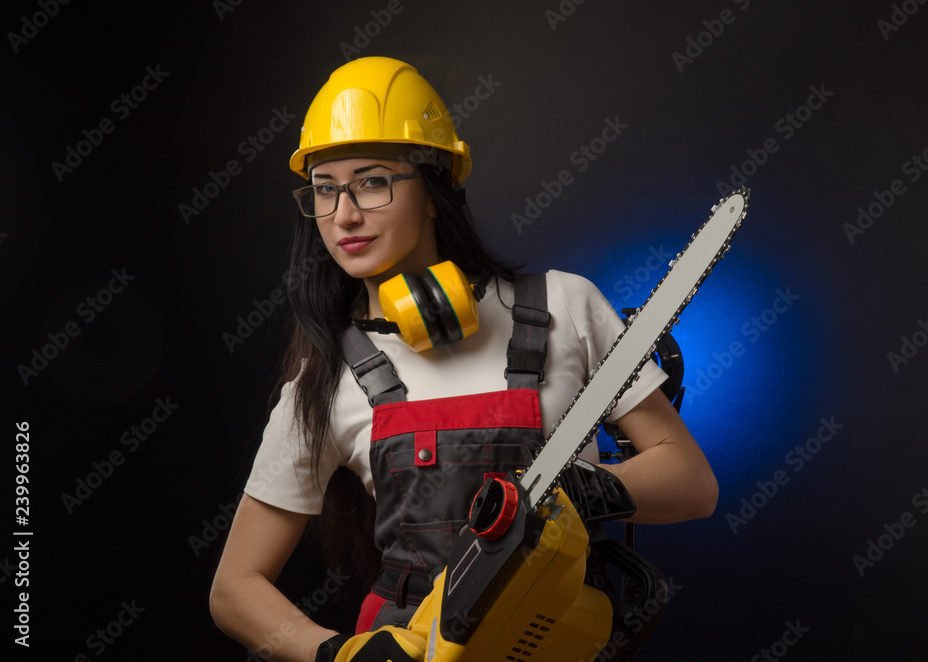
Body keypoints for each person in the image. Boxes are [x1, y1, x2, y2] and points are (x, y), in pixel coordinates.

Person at [210, 56, 718, 662]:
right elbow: (234, 590)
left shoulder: (565, 305)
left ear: (435, 189)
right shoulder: (326, 379)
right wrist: (341, 655)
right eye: (325, 189)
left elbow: (692, 484)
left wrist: (584, 491)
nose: (344, 215)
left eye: (372, 181)